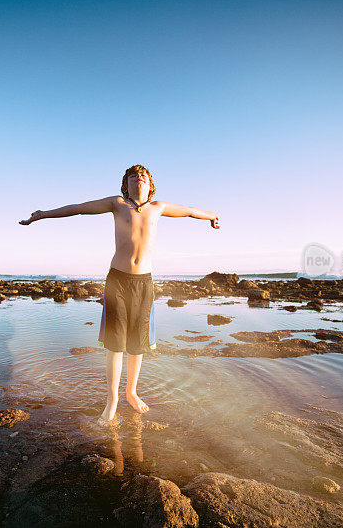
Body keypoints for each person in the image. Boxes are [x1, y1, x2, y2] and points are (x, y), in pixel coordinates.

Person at [19, 164, 219, 425]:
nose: (138, 178)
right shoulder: (117, 203)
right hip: (118, 280)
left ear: (150, 184)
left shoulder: (158, 207)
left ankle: (131, 392)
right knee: (115, 344)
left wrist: (212, 215)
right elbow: (79, 208)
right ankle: (111, 400)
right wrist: (43, 214)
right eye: (133, 176)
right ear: (126, 184)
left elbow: (190, 211)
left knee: (137, 343)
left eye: (143, 176)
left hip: (144, 282)